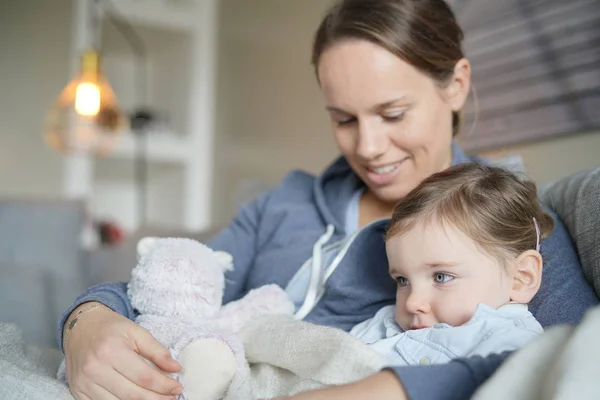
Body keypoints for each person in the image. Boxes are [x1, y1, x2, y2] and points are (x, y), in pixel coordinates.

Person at [58, 1, 598, 399]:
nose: (368, 147)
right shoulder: (284, 203)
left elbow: (566, 360)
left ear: (455, 85)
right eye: (343, 119)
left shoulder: (507, 221)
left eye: (392, 114)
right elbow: (175, 281)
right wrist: (87, 323)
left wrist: (390, 389)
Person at [350, 163, 550, 366]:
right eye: (402, 280)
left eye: (441, 277)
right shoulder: (385, 321)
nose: (412, 303)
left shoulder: (511, 345)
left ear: (521, 278)